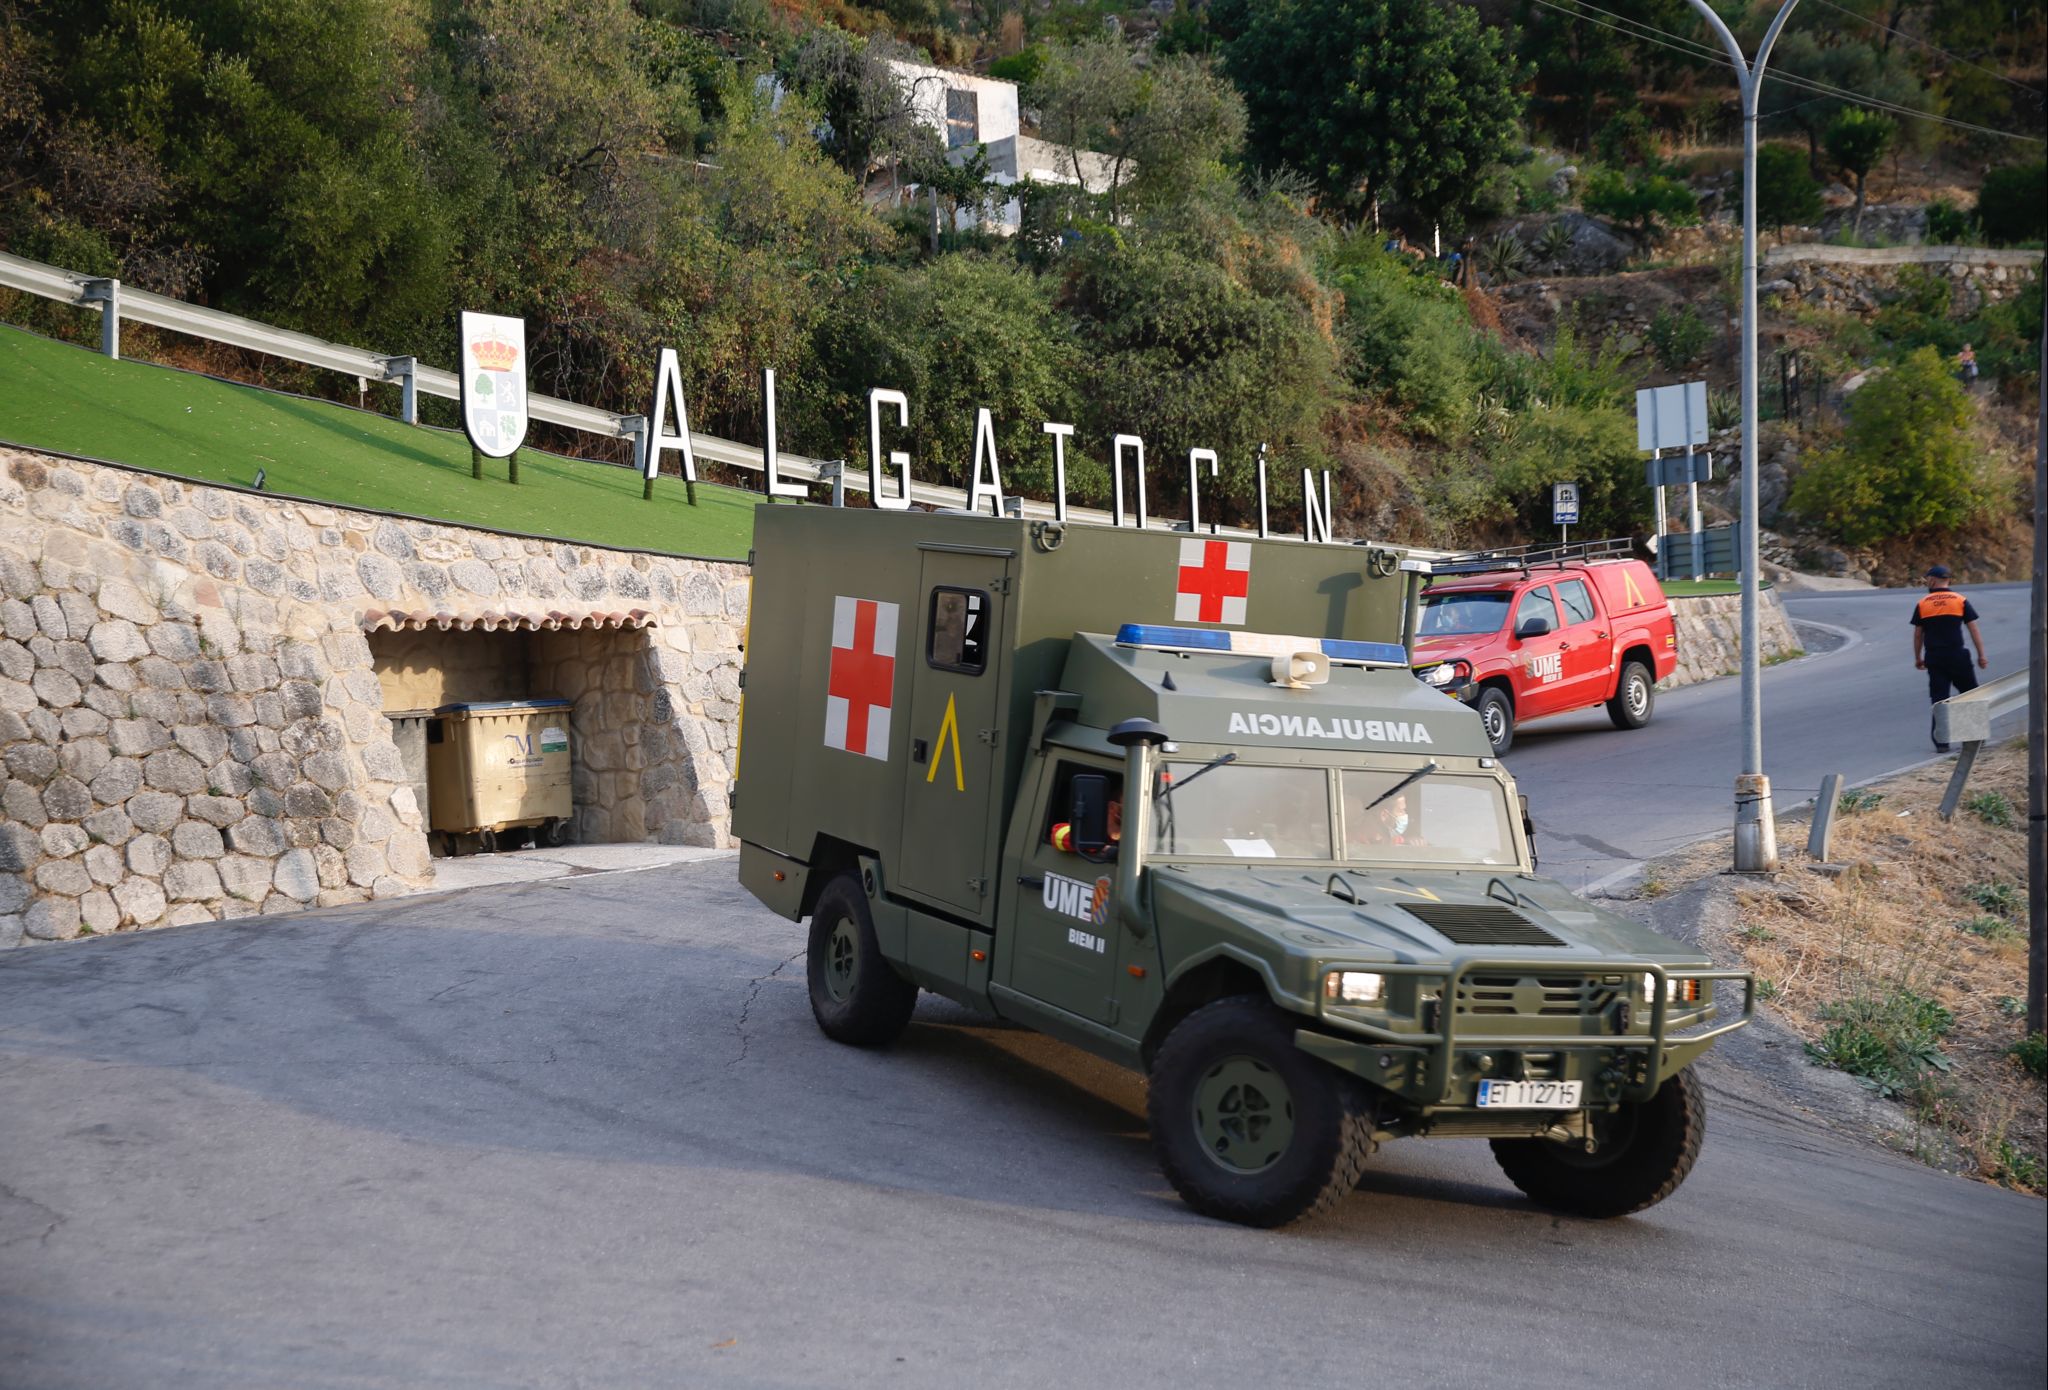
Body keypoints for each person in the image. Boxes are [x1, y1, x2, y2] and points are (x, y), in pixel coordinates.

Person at [1911, 564, 1988, 752]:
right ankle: (1974, 737)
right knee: (1969, 694)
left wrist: (1918, 657)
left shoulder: (1923, 603)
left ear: (1932, 580)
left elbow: (1918, 634)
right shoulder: (1960, 600)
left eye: (1927, 579)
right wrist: (1981, 655)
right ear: (1948, 580)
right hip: (1958, 655)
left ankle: (1942, 742)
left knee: (1939, 698)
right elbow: (1973, 629)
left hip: (1935, 657)